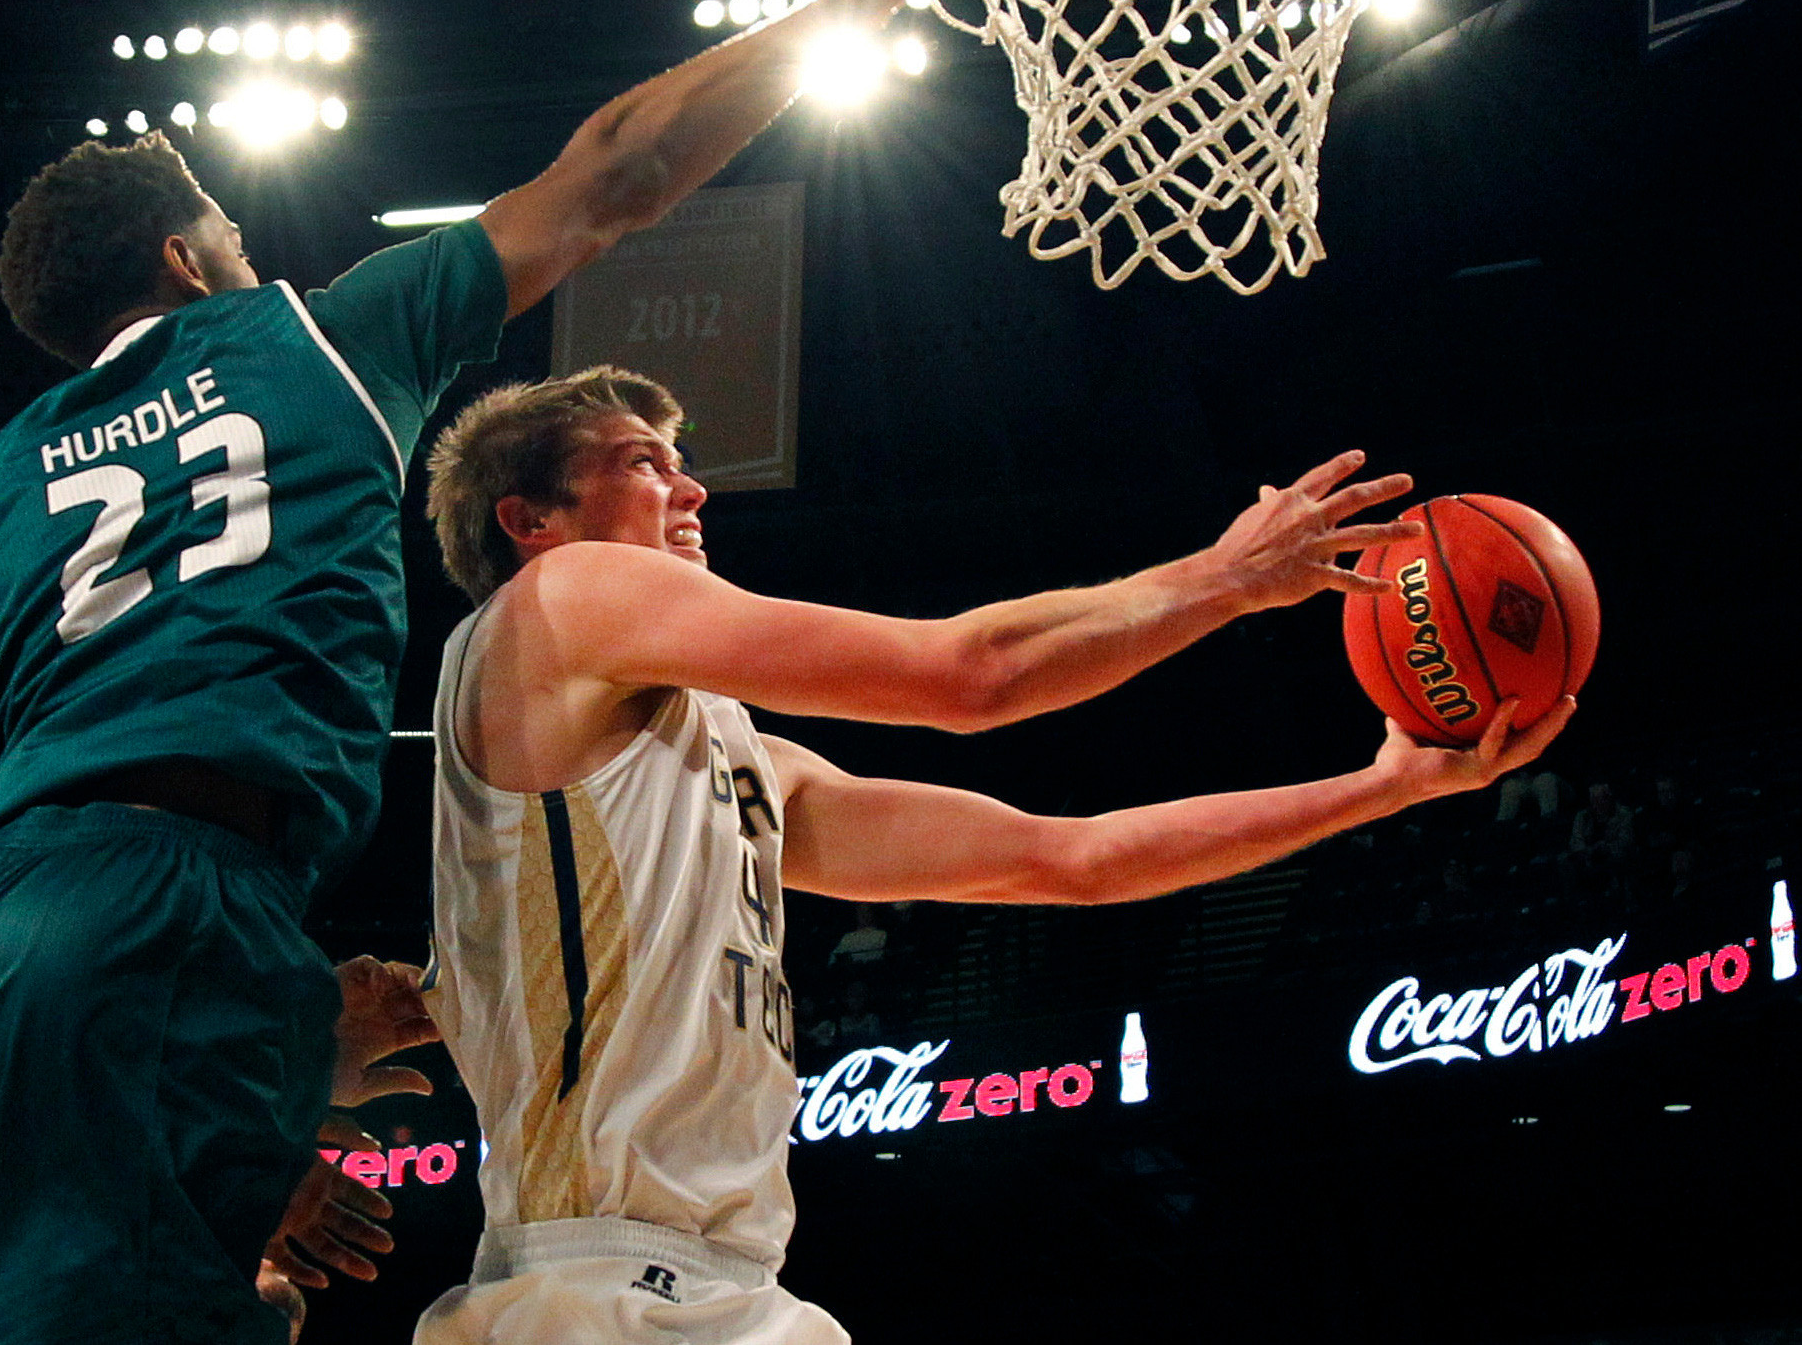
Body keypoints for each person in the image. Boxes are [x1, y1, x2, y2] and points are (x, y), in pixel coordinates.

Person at [0, 0, 981, 1345]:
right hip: (179, 901)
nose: (250, 257)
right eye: (235, 233)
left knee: (237, 1304)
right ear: (190, 260)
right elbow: (619, 171)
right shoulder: (307, 339)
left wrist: (162, 1056)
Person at [413, 367, 1573, 1344]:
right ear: (531, 520)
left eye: (677, 457)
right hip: (597, 1285)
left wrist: (1383, 787)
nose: (689, 484)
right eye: (640, 461)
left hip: (719, 1288)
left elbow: (1069, 861)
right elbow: (969, 678)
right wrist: (1221, 581)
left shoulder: (733, 762)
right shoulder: (562, 598)